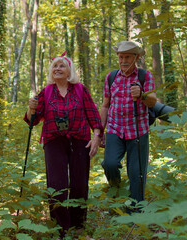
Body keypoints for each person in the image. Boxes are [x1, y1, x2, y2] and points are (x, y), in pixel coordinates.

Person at [24, 52, 103, 236]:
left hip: (80, 139)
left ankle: (78, 225)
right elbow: (32, 121)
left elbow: (93, 115)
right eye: (55, 67)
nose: (57, 69)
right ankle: (60, 227)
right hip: (53, 141)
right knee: (56, 185)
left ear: (69, 71)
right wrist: (31, 108)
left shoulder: (81, 90)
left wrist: (97, 135)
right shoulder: (46, 92)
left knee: (79, 184)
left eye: (62, 66)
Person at [100, 41, 157, 212]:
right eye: (120, 57)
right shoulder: (111, 77)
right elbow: (105, 105)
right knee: (109, 163)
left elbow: (153, 101)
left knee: (137, 173)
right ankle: (117, 194)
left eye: (127, 57)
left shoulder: (145, 76)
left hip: (138, 129)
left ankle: (136, 210)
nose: (123, 61)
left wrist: (141, 95)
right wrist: (99, 131)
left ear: (136, 58)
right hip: (114, 129)